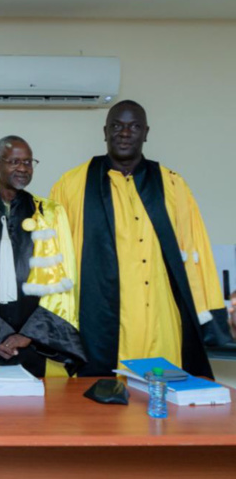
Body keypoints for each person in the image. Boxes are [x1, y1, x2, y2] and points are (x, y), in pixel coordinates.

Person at [51, 101, 232, 377]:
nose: (125, 133)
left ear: (146, 132)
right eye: (117, 126)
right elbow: (54, 261)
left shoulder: (173, 185)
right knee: (98, 409)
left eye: (134, 126)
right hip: (98, 319)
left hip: (160, 318)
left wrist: (213, 320)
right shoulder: (71, 185)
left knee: (161, 404)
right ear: (105, 131)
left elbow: (197, 253)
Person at [0, 136, 84, 378]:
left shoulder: (50, 213)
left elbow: (63, 279)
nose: (23, 168)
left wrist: (29, 335)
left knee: (38, 409)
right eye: (14, 161)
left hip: (37, 342)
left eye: (28, 162)